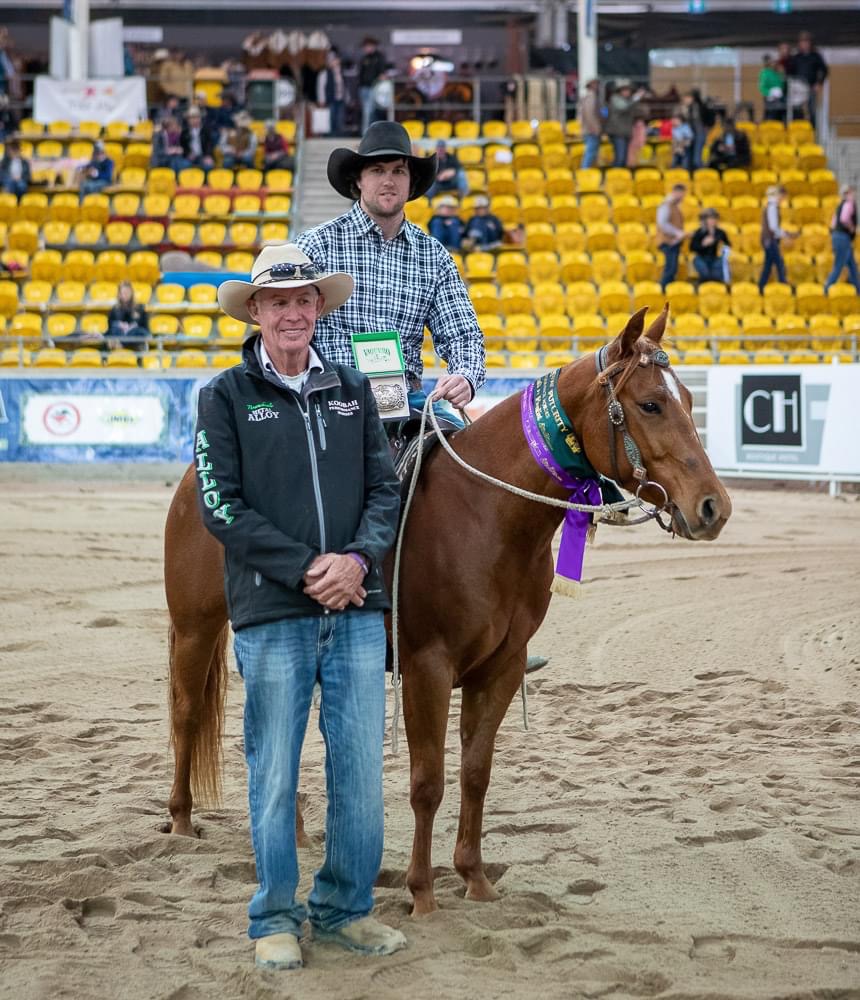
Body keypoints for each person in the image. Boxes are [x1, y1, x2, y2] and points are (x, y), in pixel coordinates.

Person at [197, 242, 404, 970]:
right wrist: (308, 567)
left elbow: (385, 490)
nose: (293, 312)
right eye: (278, 301)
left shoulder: (353, 389)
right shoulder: (224, 396)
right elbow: (221, 505)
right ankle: (274, 916)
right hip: (273, 614)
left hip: (355, 609)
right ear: (256, 311)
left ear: (320, 308)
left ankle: (346, 909)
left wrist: (357, 562)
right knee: (275, 773)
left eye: (304, 300)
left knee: (361, 773)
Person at [297, 120, 548, 674]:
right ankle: (306, 616)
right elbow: (290, 327)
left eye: (399, 171)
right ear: (359, 181)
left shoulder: (434, 257)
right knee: (316, 489)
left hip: (406, 404)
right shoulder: (318, 246)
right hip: (328, 399)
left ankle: (494, 621)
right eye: (378, 170)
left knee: (477, 484)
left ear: (411, 183)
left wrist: (465, 377)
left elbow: (465, 337)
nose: (389, 180)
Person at [759, 185, 796, 292]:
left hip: (768, 239)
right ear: (780, 195)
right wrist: (786, 235)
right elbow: (773, 227)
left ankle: (761, 286)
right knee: (779, 263)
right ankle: (783, 283)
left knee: (768, 265)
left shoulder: (771, 206)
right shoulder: (773, 207)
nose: (783, 200)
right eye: (783, 197)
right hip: (770, 240)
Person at [787, 31, 828, 128]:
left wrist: (819, 83)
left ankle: (812, 129)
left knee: (812, 110)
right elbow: (790, 72)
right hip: (797, 89)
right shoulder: (796, 57)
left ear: (810, 43)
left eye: (806, 41)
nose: (804, 44)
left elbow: (824, 70)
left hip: (811, 87)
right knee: (797, 110)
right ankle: (798, 129)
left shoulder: (816, 56)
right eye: (802, 42)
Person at [824, 185, 859, 294]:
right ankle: (826, 288)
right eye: (852, 192)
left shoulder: (840, 205)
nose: (854, 195)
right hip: (843, 238)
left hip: (838, 237)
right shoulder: (849, 204)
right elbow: (844, 219)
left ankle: (858, 289)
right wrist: (852, 228)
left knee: (852, 266)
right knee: (839, 265)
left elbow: (833, 224)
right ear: (847, 193)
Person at [657, 183, 688, 290]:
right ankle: (662, 291)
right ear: (675, 192)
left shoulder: (675, 206)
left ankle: (668, 291)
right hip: (668, 242)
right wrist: (677, 233)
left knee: (673, 269)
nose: (683, 197)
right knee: (670, 268)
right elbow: (662, 224)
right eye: (682, 194)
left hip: (674, 242)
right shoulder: (666, 205)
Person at [690, 208, 731, 285]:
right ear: (705, 220)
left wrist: (722, 246)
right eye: (710, 218)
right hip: (701, 258)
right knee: (703, 269)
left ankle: (709, 281)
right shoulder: (699, 232)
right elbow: (692, 248)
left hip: (715, 258)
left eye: (714, 218)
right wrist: (703, 245)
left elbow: (728, 245)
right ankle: (703, 281)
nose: (713, 221)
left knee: (718, 270)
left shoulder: (721, 233)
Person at [606, 80, 640, 168]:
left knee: (624, 159)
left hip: (625, 132)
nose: (627, 92)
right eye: (625, 90)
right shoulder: (615, 99)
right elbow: (623, 108)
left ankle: (620, 175)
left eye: (628, 90)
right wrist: (635, 99)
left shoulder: (628, 100)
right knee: (620, 158)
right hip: (617, 133)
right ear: (619, 91)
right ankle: (615, 175)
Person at [106, 281, 149, 351]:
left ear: (132, 293)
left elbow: (145, 327)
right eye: (123, 292)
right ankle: (122, 345)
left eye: (128, 292)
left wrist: (133, 325)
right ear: (119, 294)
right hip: (119, 335)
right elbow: (110, 326)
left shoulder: (140, 307)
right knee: (114, 330)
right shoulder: (114, 309)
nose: (126, 295)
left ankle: (122, 346)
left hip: (134, 337)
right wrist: (119, 324)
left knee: (139, 332)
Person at [358, 37, 386, 135]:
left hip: (373, 87)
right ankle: (370, 132)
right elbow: (361, 74)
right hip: (364, 87)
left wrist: (378, 82)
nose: (366, 48)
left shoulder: (379, 57)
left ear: (373, 46)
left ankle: (366, 133)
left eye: (367, 46)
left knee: (369, 111)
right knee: (367, 111)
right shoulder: (364, 58)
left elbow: (382, 74)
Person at [316, 47, 346, 137]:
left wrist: (347, 97)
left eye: (334, 60)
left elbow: (345, 86)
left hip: (340, 99)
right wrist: (321, 99)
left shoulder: (341, 72)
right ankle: (329, 136)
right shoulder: (324, 73)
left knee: (340, 119)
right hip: (330, 99)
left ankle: (338, 136)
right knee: (330, 118)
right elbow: (321, 87)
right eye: (331, 60)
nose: (333, 62)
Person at [180, 105, 216, 172]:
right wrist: (188, 154)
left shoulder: (206, 130)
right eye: (191, 118)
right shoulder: (184, 132)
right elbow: (182, 146)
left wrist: (208, 155)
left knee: (208, 166)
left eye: (196, 117)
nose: (194, 120)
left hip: (203, 155)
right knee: (183, 166)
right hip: (189, 157)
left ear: (200, 118)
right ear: (188, 120)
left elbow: (210, 145)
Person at [578, 78, 602, 170]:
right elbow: (589, 114)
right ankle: (584, 172)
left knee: (591, 152)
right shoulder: (591, 97)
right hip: (591, 130)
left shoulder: (587, 96)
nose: (597, 86)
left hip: (588, 129)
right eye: (595, 84)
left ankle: (586, 171)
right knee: (590, 152)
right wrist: (594, 128)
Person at [759, 54, 786, 122]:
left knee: (780, 114)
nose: (775, 64)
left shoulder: (778, 73)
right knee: (771, 115)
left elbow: (782, 85)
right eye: (773, 62)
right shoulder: (765, 73)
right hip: (770, 98)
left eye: (776, 63)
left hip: (779, 98)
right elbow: (762, 87)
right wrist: (770, 93)